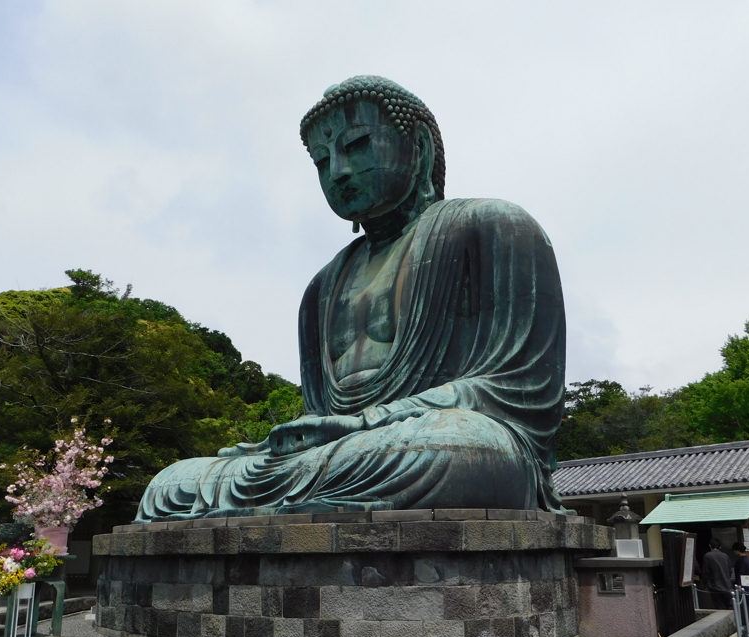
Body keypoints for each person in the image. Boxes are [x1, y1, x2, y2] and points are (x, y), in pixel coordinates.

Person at [136, 75, 569, 520]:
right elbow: (320, 415)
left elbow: (518, 390)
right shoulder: (321, 288)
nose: (339, 171)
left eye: (358, 145)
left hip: (445, 439)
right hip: (348, 453)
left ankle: (306, 498)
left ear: (418, 146)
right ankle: (306, 500)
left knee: (466, 451)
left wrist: (367, 423)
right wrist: (300, 440)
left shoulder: (493, 226)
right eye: (323, 161)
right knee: (173, 483)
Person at [701, 538, 733, 610]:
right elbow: (729, 570)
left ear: (710, 546)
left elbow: (705, 571)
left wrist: (705, 584)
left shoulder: (707, 556)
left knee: (720, 606)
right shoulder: (725, 556)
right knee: (729, 606)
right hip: (727, 585)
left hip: (714, 585)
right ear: (720, 547)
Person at [732, 541, 749, 629]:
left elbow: (741, 573)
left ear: (737, 550)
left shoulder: (740, 561)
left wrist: (739, 584)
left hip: (744, 585)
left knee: (747, 604)